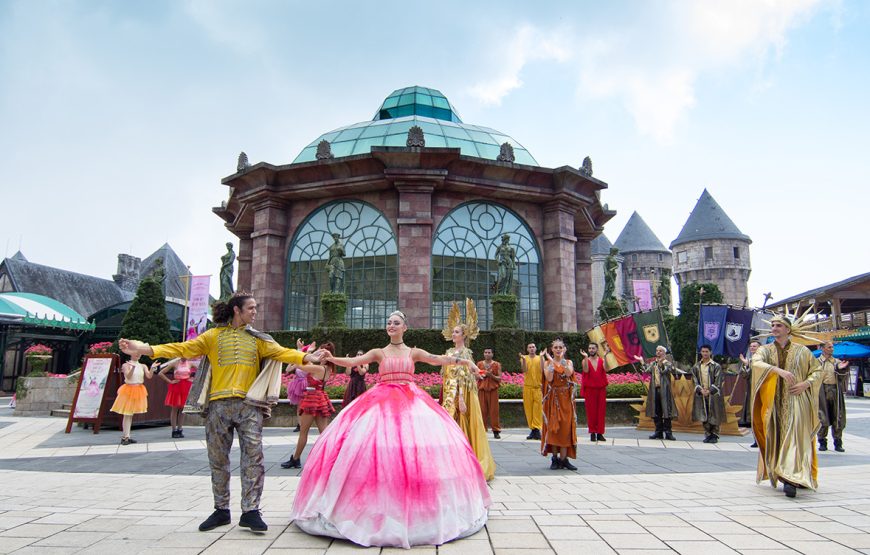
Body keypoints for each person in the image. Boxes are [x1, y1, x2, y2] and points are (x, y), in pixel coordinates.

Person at [119, 292, 324, 533]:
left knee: (254, 459)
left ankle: (250, 511)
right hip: (218, 406)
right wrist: (143, 348)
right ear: (237, 310)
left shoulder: (259, 340)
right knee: (218, 459)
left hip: (249, 406)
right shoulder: (213, 337)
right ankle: (221, 510)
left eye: (255, 308)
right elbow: (182, 348)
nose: (255, 312)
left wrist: (308, 356)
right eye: (251, 308)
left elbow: (283, 352)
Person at [290, 310, 490, 548]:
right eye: (389, 322)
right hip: (380, 402)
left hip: (411, 403)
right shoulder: (379, 352)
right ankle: (374, 507)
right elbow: (353, 362)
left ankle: (419, 511)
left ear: (405, 327)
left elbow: (438, 359)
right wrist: (332, 358)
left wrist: (465, 361)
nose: (391, 325)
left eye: (396, 323)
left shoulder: (413, 352)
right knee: (376, 449)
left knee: (412, 449)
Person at [751, 313, 822, 498]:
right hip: (773, 402)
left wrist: (806, 384)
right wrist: (776, 370)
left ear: (788, 330)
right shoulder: (765, 350)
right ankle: (783, 473)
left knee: (796, 437)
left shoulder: (802, 351)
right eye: (773, 325)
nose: (774, 328)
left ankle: (791, 478)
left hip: (797, 401)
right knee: (776, 436)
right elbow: (756, 362)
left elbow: (817, 370)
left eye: (778, 326)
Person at [440, 300, 496, 481]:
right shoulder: (448, 351)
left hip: (461, 394)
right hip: (448, 394)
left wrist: (462, 399)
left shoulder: (465, 353)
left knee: (462, 423)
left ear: (463, 335)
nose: (453, 334)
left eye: (456, 332)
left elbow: (464, 378)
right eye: (453, 331)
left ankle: (464, 463)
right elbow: (447, 376)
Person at [282, 343, 336, 469]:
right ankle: (332, 458)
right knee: (324, 433)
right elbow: (298, 365)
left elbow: (297, 364)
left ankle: (295, 459)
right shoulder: (327, 368)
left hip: (312, 399)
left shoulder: (320, 369)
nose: (320, 355)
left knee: (303, 432)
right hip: (320, 398)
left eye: (323, 353)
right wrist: (309, 353)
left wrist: (305, 352)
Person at [541, 339, 578, 471]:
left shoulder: (568, 362)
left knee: (565, 428)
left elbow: (568, 373)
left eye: (560, 347)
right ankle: (555, 459)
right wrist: (551, 362)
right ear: (552, 349)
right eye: (555, 347)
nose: (558, 349)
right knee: (554, 428)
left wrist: (561, 360)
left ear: (564, 349)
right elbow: (549, 378)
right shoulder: (547, 363)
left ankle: (564, 459)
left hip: (566, 400)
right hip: (554, 399)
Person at [634, 347, 678, 440]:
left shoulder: (668, 363)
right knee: (656, 411)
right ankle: (658, 431)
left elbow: (664, 371)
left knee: (666, 411)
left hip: (665, 391)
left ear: (664, 353)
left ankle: (668, 432)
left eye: (660, 351)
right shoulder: (653, 363)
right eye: (657, 350)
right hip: (655, 390)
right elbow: (646, 370)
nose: (658, 352)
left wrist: (661, 363)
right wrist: (642, 361)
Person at [110, 353, 153, 445]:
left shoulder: (142, 365)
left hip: (139, 389)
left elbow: (149, 376)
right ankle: (125, 437)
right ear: (131, 354)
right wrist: (132, 368)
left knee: (130, 414)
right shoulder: (126, 365)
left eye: (139, 353)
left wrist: (152, 368)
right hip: (129, 389)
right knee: (127, 413)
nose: (138, 355)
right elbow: (128, 376)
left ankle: (127, 435)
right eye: (136, 353)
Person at [817, 340, 850, 453]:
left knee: (838, 416)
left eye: (832, 347)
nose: (832, 349)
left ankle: (838, 442)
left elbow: (842, 378)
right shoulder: (816, 362)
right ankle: (822, 441)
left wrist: (841, 369)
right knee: (822, 416)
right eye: (829, 347)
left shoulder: (837, 362)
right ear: (822, 348)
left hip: (835, 390)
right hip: (821, 391)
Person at [690, 345, 726, 444]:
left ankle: (715, 434)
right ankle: (708, 434)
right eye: (703, 351)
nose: (705, 353)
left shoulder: (716, 366)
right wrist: (700, 390)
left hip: (713, 394)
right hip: (701, 393)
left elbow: (718, 380)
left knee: (714, 414)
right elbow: (694, 380)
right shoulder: (696, 366)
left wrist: (710, 391)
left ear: (710, 352)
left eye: (707, 351)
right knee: (704, 414)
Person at [156, 358, 195, 438]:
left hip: (186, 387)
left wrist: (192, 379)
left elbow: (200, 371)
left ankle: (180, 429)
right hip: (177, 386)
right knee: (175, 408)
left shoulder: (190, 363)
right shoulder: (175, 363)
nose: (185, 356)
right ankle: (174, 430)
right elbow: (160, 373)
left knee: (183, 410)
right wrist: (169, 381)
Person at [580, 342, 608, 442]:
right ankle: (592, 432)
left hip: (601, 389)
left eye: (593, 348)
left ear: (597, 349)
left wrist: (605, 356)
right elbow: (586, 370)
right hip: (590, 390)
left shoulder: (602, 360)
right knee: (591, 412)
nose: (591, 350)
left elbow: (606, 369)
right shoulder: (585, 361)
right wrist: (586, 358)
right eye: (590, 348)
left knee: (601, 412)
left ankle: (600, 433)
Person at [738, 341, 762, 447]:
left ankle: (764, 438)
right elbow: (745, 375)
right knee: (753, 416)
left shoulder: (764, 360)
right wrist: (746, 365)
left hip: (762, 391)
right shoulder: (749, 361)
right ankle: (756, 439)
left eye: (755, 346)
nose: (752, 348)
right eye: (751, 346)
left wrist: (748, 364)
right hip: (752, 391)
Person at [476, 348, 502, 440]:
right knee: (482, 410)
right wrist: (482, 374)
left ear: (492, 354)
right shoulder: (479, 364)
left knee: (494, 411)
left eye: (489, 352)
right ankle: (482, 430)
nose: (487, 354)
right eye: (485, 352)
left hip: (493, 390)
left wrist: (491, 375)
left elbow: (499, 378)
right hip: (482, 390)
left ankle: (496, 431)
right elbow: (475, 376)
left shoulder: (496, 364)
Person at [519, 343, 543, 440]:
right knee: (528, 409)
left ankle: (536, 429)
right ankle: (533, 429)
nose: (532, 349)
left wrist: (541, 358)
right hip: (527, 387)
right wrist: (524, 360)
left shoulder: (539, 358)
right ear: (527, 349)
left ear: (536, 348)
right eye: (530, 347)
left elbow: (542, 370)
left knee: (537, 409)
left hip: (538, 388)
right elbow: (524, 370)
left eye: (533, 347)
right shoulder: (524, 358)